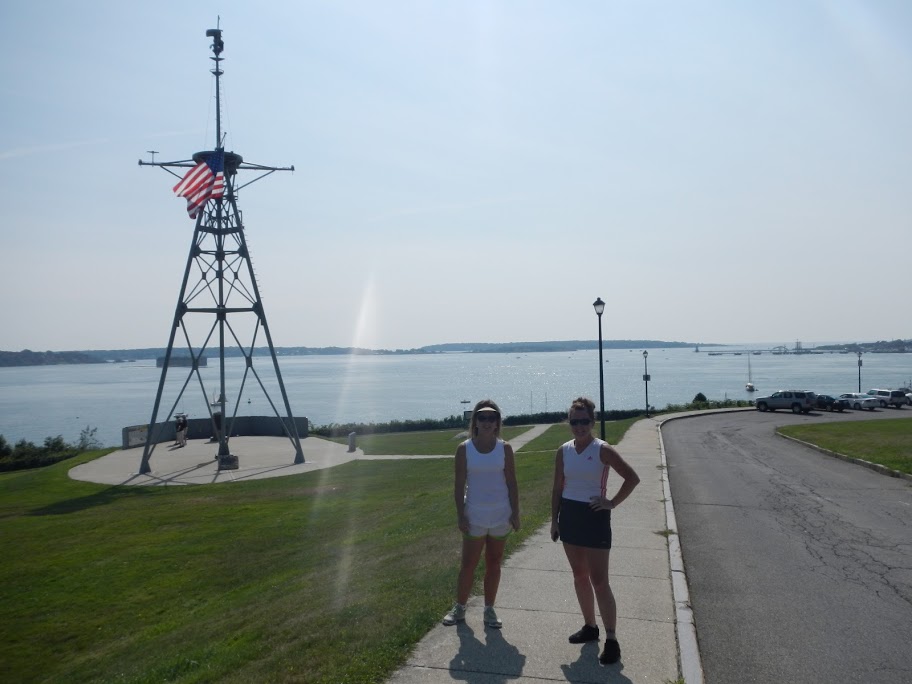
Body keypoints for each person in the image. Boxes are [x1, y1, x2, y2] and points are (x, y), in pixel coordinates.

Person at [550, 396, 640, 665]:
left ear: (592, 421)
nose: (579, 427)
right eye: (574, 422)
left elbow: (632, 478)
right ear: (569, 423)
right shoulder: (563, 451)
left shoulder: (603, 450)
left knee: (600, 582)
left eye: (584, 421)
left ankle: (612, 639)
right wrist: (554, 520)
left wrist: (611, 502)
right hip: (570, 516)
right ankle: (590, 627)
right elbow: (557, 488)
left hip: (594, 516)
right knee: (579, 576)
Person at [442, 399, 520, 629]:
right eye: (482, 417)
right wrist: (460, 515)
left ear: (497, 423)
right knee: (468, 564)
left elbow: (512, 482)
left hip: (500, 515)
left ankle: (489, 609)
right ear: (475, 421)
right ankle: (460, 607)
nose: (487, 422)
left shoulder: (505, 448)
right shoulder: (464, 449)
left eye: (491, 418)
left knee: (494, 563)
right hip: (474, 515)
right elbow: (459, 485)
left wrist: (515, 513)